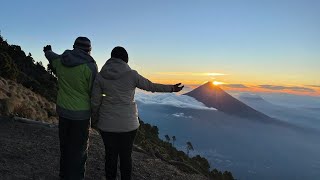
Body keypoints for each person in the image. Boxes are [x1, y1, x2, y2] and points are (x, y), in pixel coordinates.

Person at [91, 46, 184, 180]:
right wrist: (171, 88)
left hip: (107, 125)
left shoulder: (100, 77)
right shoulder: (132, 75)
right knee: (126, 157)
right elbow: (151, 86)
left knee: (110, 156)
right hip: (128, 125)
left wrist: (95, 118)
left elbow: (95, 102)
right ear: (125, 60)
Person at [43, 37, 98, 180]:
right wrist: (97, 110)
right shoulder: (91, 67)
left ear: (74, 47)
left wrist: (47, 50)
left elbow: (51, 57)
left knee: (65, 146)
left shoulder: (62, 60)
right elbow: (93, 91)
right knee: (79, 150)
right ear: (89, 50)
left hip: (63, 111)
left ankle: (64, 175)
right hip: (82, 115)